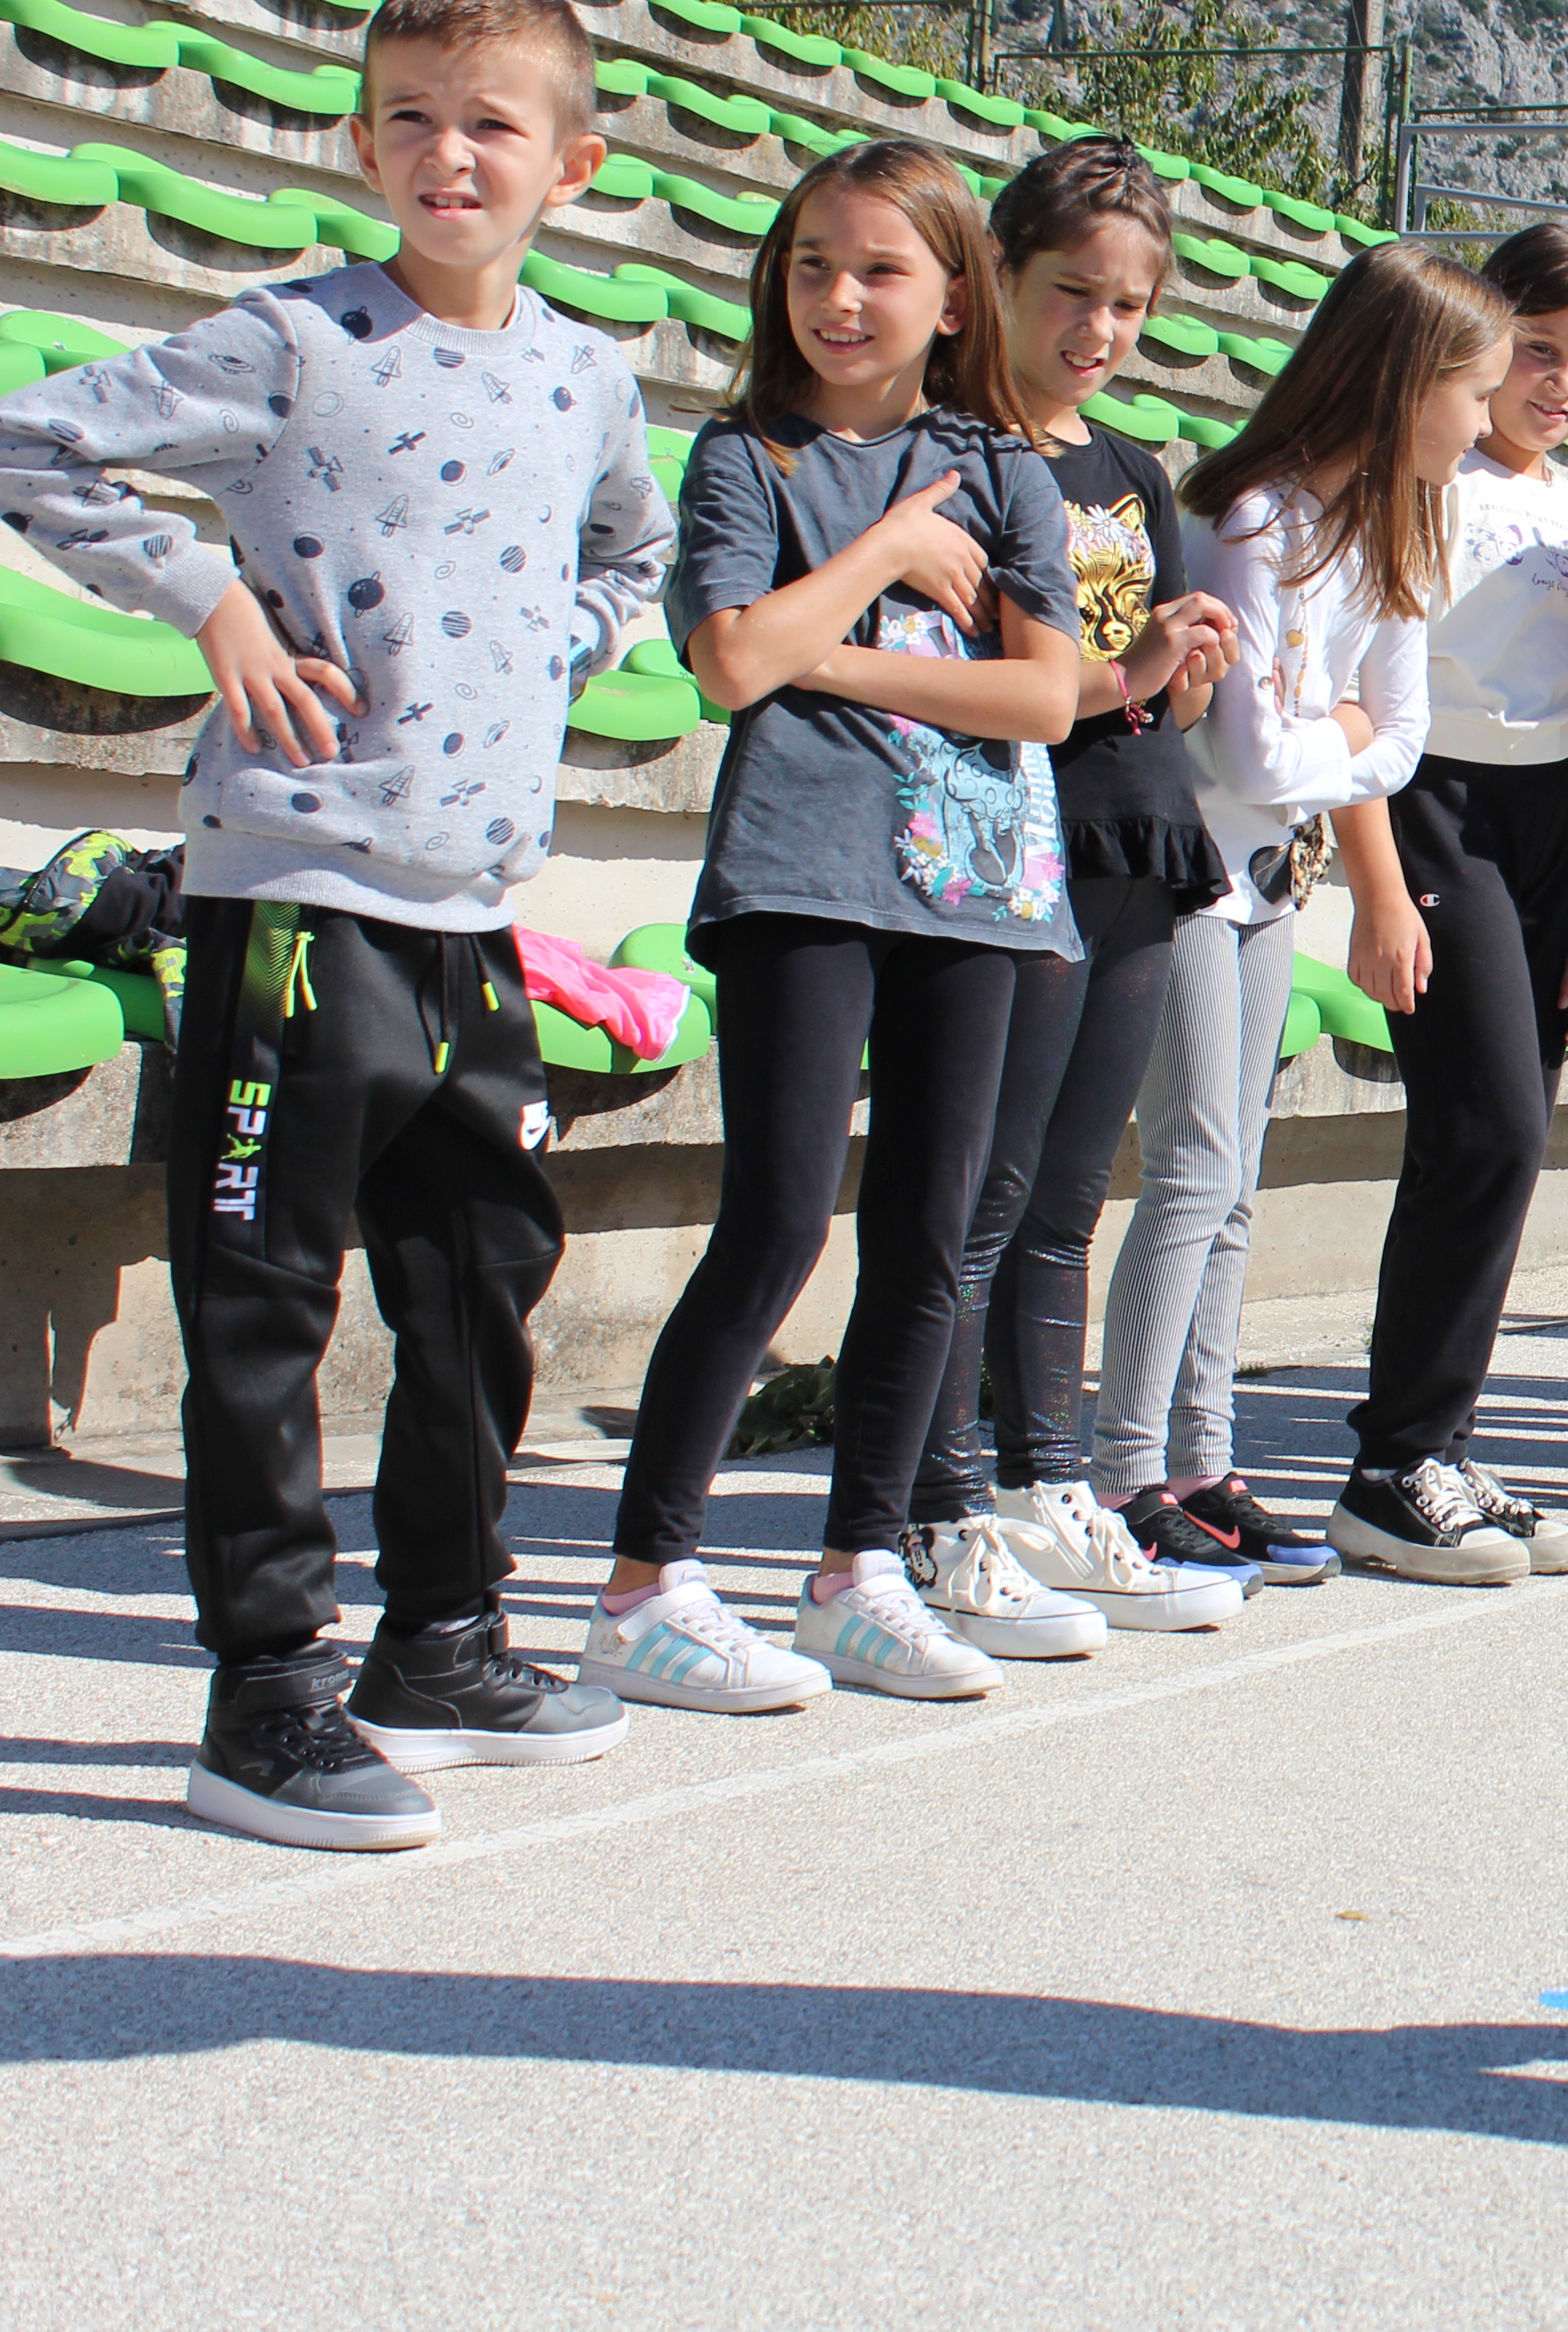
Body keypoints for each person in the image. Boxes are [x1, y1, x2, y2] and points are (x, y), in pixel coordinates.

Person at [0, 0, 669, 1846]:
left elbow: (631, 547)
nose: (446, 152)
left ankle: (441, 1635)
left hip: (469, 907)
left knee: (478, 1277)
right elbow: (30, 437)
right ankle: (266, 1688)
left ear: (574, 162)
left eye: (491, 123)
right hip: (293, 883)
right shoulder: (295, 339)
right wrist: (205, 601)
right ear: (362, 137)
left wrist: (571, 637)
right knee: (265, 1297)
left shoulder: (587, 369)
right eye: (409, 116)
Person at [594, 139, 1090, 1714]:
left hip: (977, 887)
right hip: (798, 876)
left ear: (954, 296)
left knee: (931, 1238)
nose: (839, 297)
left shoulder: (1008, 471)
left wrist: (842, 654)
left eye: (879, 269)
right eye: (813, 263)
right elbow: (732, 662)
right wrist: (879, 558)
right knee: (779, 1220)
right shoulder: (749, 458)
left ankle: (856, 1569)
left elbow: (1044, 694)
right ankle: (644, 1583)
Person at [898, 139, 1261, 1654]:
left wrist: (1181, 676)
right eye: (1072, 296)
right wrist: (1124, 674)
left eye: (1128, 307)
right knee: (974, 1203)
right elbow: (975, 682)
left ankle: (1047, 1482)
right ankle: (935, 1499)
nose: (1099, 333)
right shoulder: (947, 455)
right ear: (996, 277)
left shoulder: (1126, 468)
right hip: (1006, 851)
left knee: (1061, 1204)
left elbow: (1134, 706)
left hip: (1132, 838)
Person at [1099, 249, 1471, 1584]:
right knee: (1196, 1167)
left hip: (1268, 881)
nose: (1479, 424)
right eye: (1467, 392)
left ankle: (1203, 1459)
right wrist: (1343, 734)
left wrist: (1332, 735)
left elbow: (1404, 735)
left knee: (1236, 1180)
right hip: (1191, 867)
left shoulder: (1377, 537)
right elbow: (1251, 763)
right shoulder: (1254, 518)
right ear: (1401, 384)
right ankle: (1124, 1471)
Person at [1326, 225, 1568, 1583]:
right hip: (1436, 807)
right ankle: (1392, 1462)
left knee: (1503, 1145)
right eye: (1537, 348)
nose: (1562, 382)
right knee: (1485, 1133)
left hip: (1558, 826)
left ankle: (1435, 1445)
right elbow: (1345, 701)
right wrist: (1380, 887)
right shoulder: (1416, 486)